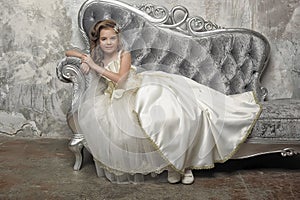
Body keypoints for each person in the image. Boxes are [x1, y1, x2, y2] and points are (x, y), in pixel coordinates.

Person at [65, 19, 262, 184]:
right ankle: (173, 165)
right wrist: (84, 59)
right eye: (104, 39)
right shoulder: (97, 55)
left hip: (137, 88)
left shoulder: (123, 54)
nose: (109, 42)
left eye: (112, 38)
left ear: (118, 39)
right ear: (98, 41)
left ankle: (181, 165)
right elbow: (69, 52)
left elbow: (121, 79)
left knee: (170, 110)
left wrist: (93, 66)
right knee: (135, 122)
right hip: (115, 98)